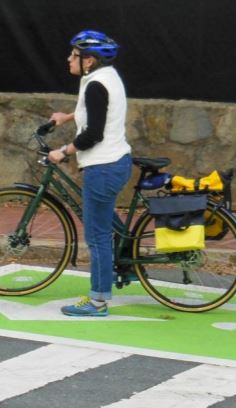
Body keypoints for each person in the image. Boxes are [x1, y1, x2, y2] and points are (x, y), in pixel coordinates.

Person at [48, 30, 132, 317]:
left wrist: (63, 151)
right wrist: (68, 116)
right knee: (105, 224)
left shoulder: (96, 84)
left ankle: (98, 302)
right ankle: (127, 264)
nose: (69, 58)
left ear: (89, 60)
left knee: (97, 236)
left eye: (75, 54)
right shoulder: (105, 77)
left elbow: (93, 134)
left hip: (103, 166)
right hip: (115, 161)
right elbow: (98, 111)